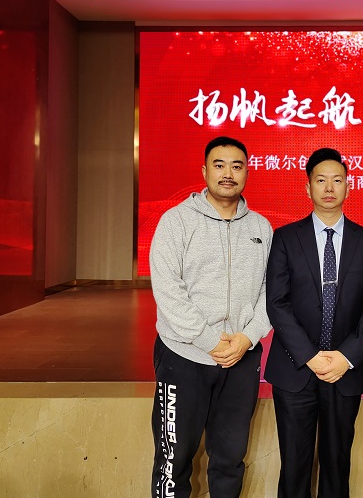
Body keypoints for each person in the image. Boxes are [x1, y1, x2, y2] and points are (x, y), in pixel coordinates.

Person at [149, 136, 273, 498]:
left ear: (247, 173)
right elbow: (168, 290)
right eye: (219, 165)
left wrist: (248, 337)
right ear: (205, 171)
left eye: (237, 166)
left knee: (230, 460)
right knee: (173, 460)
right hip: (184, 357)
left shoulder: (261, 228)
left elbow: (272, 293)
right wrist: (209, 340)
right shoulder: (176, 222)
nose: (228, 173)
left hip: (241, 359)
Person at [265, 147, 363, 498]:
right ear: (308, 188)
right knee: (294, 468)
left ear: (349, 186)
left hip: (344, 372)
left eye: (337, 180)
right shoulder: (286, 238)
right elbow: (277, 302)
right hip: (295, 370)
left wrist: (345, 357)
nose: (329, 187)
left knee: (337, 467)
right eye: (321, 180)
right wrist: (310, 356)